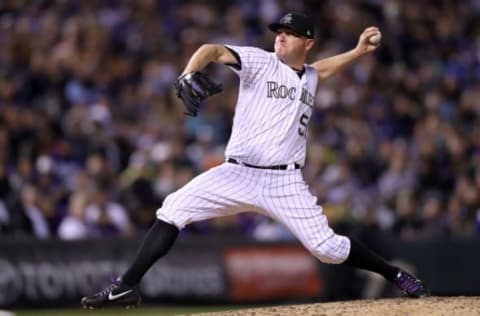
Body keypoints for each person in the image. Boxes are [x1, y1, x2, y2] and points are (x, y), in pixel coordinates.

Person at [81, 12, 429, 309]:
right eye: (279, 32)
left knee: (328, 249)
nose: (281, 37)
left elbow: (320, 70)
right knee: (173, 208)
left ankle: (394, 274)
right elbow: (211, 50)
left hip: (285, 182)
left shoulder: (308, 76)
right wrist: (189, 72)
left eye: (290, 33)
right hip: (237, 173)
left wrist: (356, 52)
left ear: (307, 42)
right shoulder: (261, 62)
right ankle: (126, 285)